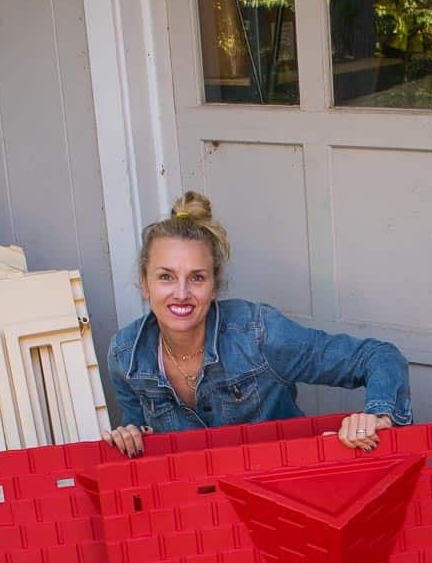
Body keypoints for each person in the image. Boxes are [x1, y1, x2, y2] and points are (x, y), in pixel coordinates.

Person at [102, 192, 412, 456]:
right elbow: (141, 444)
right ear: (145, 285)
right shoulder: (126, 355)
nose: (181, 293)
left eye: (196, 278)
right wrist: (129, 437)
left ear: (214, 287)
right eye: (166, 277)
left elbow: (379, 356)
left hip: (285, 493)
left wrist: (379, 416)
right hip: (199, 508)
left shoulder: (258, 334)